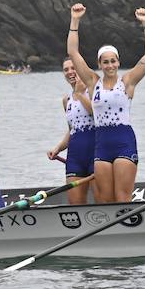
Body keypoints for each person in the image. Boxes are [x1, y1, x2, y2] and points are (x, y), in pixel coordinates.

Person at [65, 2, 145, 203]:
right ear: (100, 64)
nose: (110, 65)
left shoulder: (128, 82)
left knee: (122, 197)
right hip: (102, 144)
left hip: (123, 141)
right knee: (104, 200)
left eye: (113, 61)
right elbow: (73, 53)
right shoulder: (92, 82)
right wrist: (75, 20)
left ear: (118, 62)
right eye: (105, 62)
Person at [47, 59, 94, 204]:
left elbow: (95, 113)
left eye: (73, 68)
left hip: (96, 153)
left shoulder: (93, 90)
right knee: (75, 204)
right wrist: (58, 148)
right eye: (66, 70)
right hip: (75, 156)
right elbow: (72, 129)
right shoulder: (66, 100)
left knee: (103, 201)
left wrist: (80, 94)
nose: (70, 72)